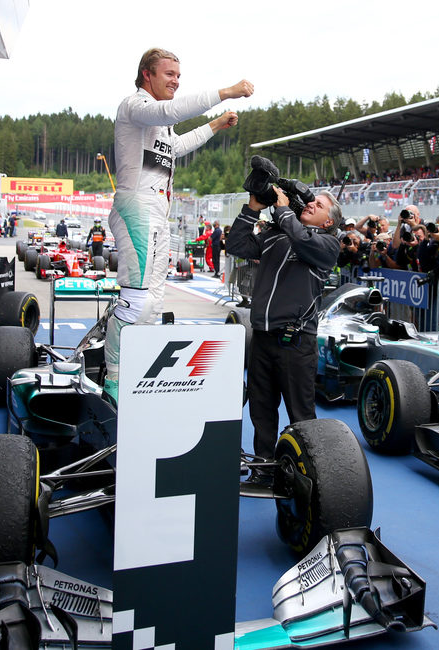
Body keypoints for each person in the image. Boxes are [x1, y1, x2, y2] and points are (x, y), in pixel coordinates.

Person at [103, 46, 253, 401]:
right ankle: (114, 380)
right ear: (147, 75)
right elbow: (171, 110)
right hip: (136, 209)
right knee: (137, 302)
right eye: (169, 74)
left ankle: (135, 373)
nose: (176, 81)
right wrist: (226, 93)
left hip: (157, 212)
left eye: (179, 76)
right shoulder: (134, 106)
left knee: (152, 303)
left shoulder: (159, 124)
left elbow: (176, 146)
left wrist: (214, 126)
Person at [225, 186, 341, 467]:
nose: (311, 204)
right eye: (310, 201)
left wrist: (282, 209)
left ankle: (312, 477)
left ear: (328, 222)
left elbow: (301, 239)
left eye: (319, 205)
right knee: (261, 413)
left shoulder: (328, 244)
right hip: (262, 338)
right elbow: (236, 246)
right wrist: (252, 209)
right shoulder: (277, 233)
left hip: (296, 342)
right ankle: (263, 468)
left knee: (301, 416)